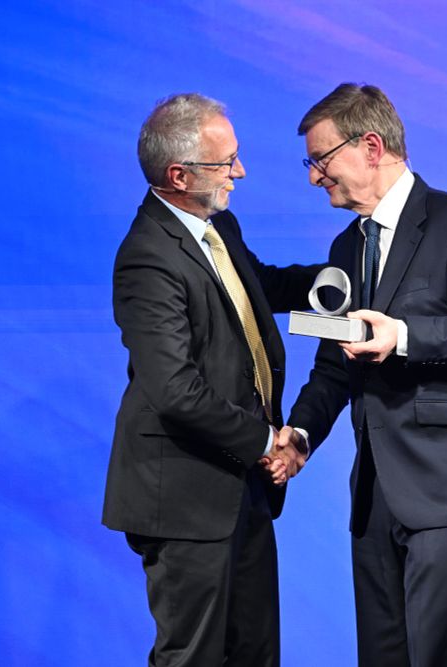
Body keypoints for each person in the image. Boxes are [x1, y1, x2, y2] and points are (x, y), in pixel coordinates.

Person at [278, 83, 447, 666]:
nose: (315, 178)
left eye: (321, 160)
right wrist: (301, 436)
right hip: (376, 494)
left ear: (370, 145)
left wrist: (405, 337)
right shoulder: (347, 245)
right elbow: (333, 365)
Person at [101, 93, 312, 667]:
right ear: (178, 175)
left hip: (241, 484)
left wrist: (332, 280)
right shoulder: (147, 258)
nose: (239, 172)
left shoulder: (218, 226)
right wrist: (268, 442)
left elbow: (255, 287)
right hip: (185, 496)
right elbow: (173, 389)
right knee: (193, 658)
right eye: (227, 163)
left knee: (255, 653)